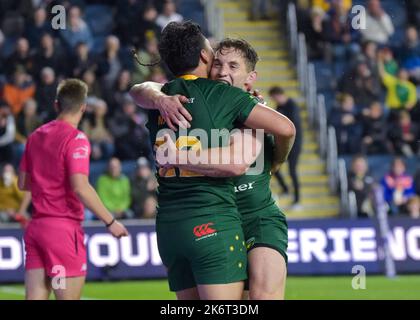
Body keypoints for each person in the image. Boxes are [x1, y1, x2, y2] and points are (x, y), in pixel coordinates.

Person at [130, 22, 295, 300]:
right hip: (222, 216)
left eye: (233, 67)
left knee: (263, 297)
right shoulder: (205, 99)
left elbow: (286, 132)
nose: (222, 71)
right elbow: (141, 88)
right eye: (219, 63)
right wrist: (159, 98)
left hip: (256, 216)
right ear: (206, 60)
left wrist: (278, 160)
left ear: (250, 77)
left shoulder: (250, 108)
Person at [18, 79, 128, 300]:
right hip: (61, 233)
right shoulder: (76, 139)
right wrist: (111, 222)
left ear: (57, 104)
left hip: (37, 229)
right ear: (83, 107)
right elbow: (80, 187)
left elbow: (23, 183)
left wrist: (47, 181)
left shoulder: (35, 136)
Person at [269, 86, 302, 210]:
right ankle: (285, 189)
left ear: (278, 95)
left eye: (274, 97)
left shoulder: (292, 105)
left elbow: (292, 126)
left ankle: (297, 199)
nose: (274, 100)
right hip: (283, 143)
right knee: (274, 167)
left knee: (292, 171)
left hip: (295, 144)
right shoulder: (279, 107)